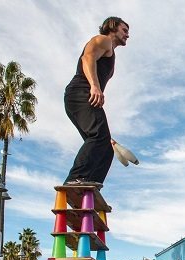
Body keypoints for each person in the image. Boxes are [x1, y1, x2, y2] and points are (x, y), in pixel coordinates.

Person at [63, 17, 130, 187]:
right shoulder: (103, 40)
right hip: (81, 92)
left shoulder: (110, 52)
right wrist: (94, 86)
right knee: (98, 136)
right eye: (124, 30)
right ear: (113, 27)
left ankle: (90, 189)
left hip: (84, 97)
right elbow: (87, 58)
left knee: (106, 149)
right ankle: (75, 179)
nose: (127, 35)